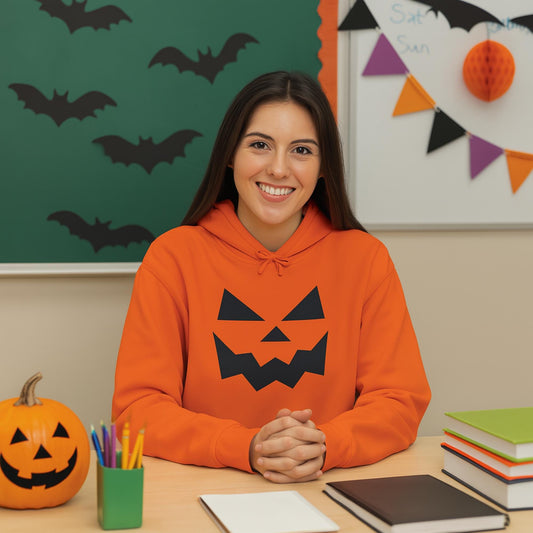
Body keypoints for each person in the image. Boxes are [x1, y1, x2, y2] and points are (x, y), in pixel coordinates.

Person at [112, 71, 431, 484]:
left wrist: (324, 445)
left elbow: (399, 401)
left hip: (326, 487)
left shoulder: (365, 259)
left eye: (301, 150)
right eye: (260, 145)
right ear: (231, 155)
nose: (279, 169)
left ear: (322, 168)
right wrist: (247, 447)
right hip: (201, 489)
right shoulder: (173, 257)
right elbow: (137, 409)